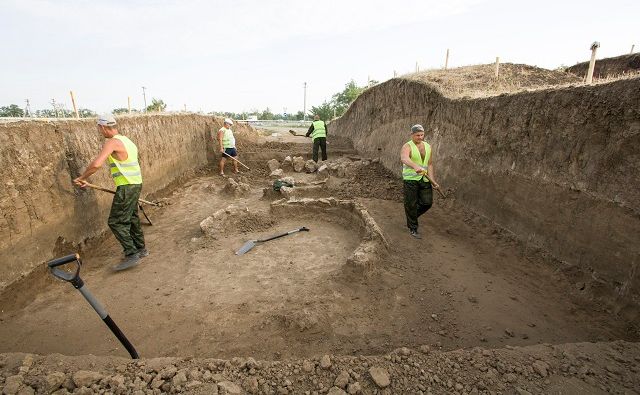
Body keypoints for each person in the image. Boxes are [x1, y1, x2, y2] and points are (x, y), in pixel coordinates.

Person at [73, 114, 148, 271]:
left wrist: (82, 177)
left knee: (116, 221)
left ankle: (131, 253)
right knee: (132, 217)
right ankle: (141, 249)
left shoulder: (112, 142)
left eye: (99, 129)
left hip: (127, 186)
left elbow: (96, 164)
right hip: (135, 184)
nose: (99, 132)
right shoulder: (127, 141)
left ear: (102, 127)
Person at [400, 124, 440, 239]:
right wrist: (414, 166)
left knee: (427, 202)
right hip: (410, 180)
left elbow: (430, 164)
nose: (420, 137)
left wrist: (433, 180)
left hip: (424, 179)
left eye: (422, 135)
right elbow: (404, 158)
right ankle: (413, 228)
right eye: (417, 135)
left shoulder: (428, 146)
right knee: (410, 203)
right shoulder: (407, 146)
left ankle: (411, 217)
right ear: (412, 135)